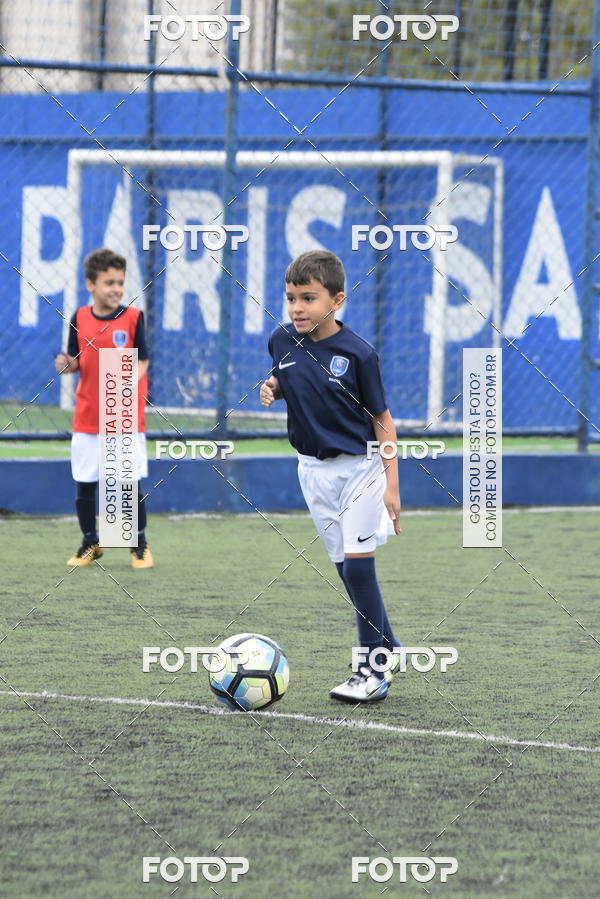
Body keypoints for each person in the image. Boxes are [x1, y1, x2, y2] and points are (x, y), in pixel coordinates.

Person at [260, 250, 401, 702]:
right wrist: (274, 387)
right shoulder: (280, 341)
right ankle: (391, 646)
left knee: (359, 569)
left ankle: (373, 671)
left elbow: (383, 419)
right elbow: (291, 377)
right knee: (344, 569)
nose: (297, 308)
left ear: (336, 300)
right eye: (291, 298)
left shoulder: (358, 353)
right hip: (312, 473)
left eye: (308, 298)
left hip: (361, 469)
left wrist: (392, 483)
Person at [54, 247, 153, 569]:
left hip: (122, 416)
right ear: (91, 284)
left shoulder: (133, 317)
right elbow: (76, 361)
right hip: (87, 416)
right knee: (86, 482)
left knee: (126, 481)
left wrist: (128, 382)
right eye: (109, 282)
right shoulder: (79, 318)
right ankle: (90, 542)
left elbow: (143, 360)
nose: (116, 289)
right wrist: (66, 365)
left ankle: (138, 543)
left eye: (120, 283)